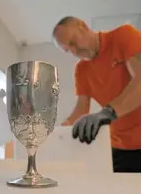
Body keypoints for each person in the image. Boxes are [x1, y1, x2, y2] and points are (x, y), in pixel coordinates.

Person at [52, 16, 141, 173]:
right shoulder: (82, 70)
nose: (73, 51)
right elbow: (80, 110)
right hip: (118, 147)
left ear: (83, 26)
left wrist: (108, 112)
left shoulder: (124, 35)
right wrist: (58, 134)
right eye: (67, 50)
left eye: (72, 42)